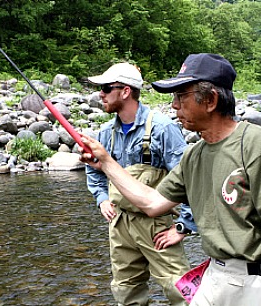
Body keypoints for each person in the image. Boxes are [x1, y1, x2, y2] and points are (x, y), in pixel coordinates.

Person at [80, 54, 261, 306]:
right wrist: (107, 165)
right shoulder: (194, 156)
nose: (174, 105)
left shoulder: (256, 142)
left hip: (253, 282)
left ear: (210, 100)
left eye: (180, 96)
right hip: (213, 276)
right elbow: (152, 203)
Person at [85, 62, 197, 306]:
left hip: (157, 225)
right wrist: (102, 198)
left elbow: (189, 178)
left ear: (125, 91)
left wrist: (183, 227)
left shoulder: (163, 128)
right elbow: (92, 170)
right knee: (126, 291)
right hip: (120, 223)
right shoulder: (105, 132)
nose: (100, 94)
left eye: (105, 88)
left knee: (181, 289)